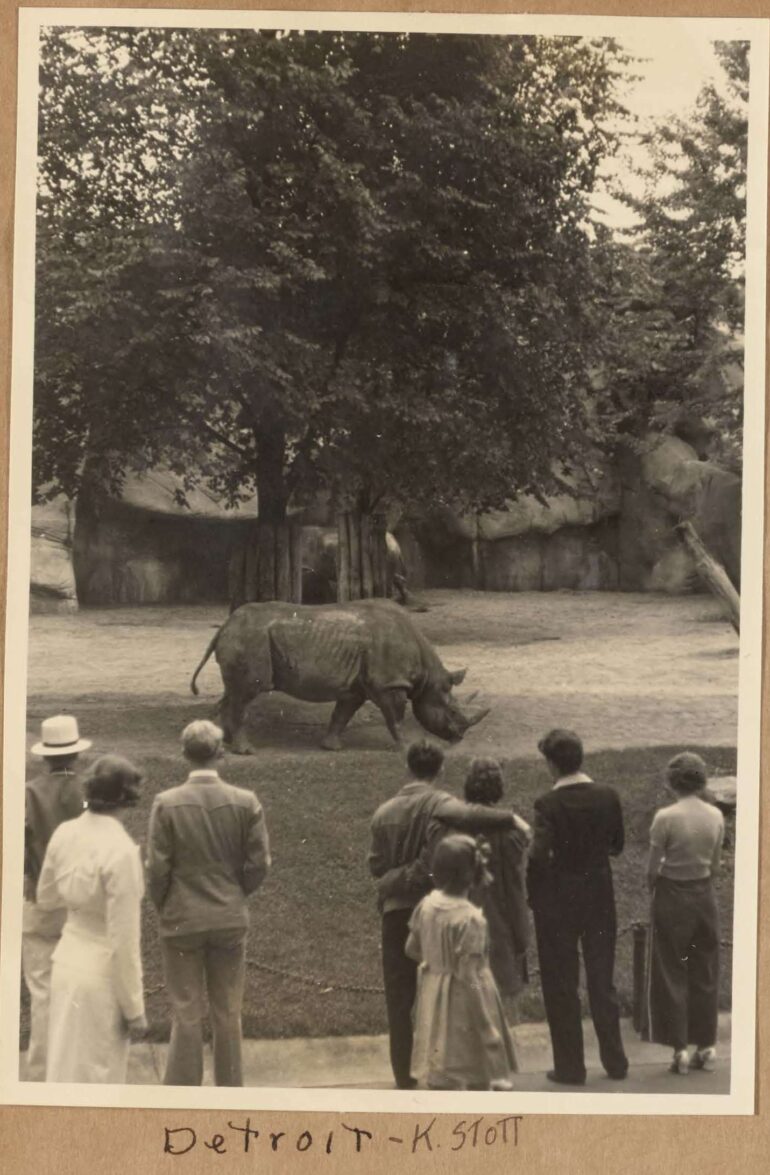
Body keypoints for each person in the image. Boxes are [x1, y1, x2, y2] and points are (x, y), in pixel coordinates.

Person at [368, 739, 517, 1090]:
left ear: (408, 767)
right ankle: (444, 1067)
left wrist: (392, 879)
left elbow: (376, 866)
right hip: (436, 909)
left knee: (399, 1000)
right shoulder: (445, 804)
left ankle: (404, 1076)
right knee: (445, 995)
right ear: (440, 769)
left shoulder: (383, 812)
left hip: (396, 912)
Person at [146, 720, 271, 1086]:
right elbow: (259, 863)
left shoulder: (166, 803)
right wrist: (236, 892)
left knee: (185, 1010)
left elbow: (157, 868)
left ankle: (182, 1091)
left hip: (182, 917)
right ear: (220, 753)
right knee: (228, 1009)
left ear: (185, 753)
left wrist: (164, 902)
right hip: (228, 914)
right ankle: (230, 1087)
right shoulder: (245, 801)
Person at [527, 728, 628, 1086]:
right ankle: (615, 1061)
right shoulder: (607, 795)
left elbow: (538, 857)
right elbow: (617, 844)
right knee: (602, 979)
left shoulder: (547, 804)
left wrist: (535, 896)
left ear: (552, 764)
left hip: (559, 898)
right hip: (599, 893)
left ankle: (571, 1067)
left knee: (561, 983)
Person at [36, 755, 146, 1083]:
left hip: (66, 965)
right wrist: (134, 1008)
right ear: (128, 798)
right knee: (99, 1078)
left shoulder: (65, 833)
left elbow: (46, 897)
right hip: (101, 977)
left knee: (64, 1068)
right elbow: (123, 941)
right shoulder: (122, 851)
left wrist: (77, 902)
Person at [406, 833, 517, 1090]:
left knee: (441, 1068)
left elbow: (411, 948)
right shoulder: (470, 920)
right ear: (472, 874)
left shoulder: (426, 906)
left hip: (434, 998)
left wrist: (437, 963)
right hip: (466, 1005)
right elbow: (470, 978)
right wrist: (487, 1025)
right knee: (475, 1069)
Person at [646, 752, 724, 1076]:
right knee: (705, 969)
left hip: (672, 893)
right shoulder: (716, 815)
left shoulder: (665, 817)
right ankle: (706, 1045)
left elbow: (652, 870)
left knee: (671, 969)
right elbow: (716, 865)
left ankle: (679, 1048)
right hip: (704, 893)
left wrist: (656, 888)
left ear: (671, 781)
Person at [22, 714, 91, 1081]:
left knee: (42, 991)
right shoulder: (88, 792)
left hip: (38, 899)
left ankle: (40, 1073)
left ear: (45, 756)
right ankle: (73, 1070)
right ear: (76, 755)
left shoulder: (29, 791)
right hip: (79, 904)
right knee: (79, 989)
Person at [461, 759, 531, 1022]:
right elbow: (514, 887)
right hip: (501, 921)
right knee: (503, 1004)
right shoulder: (512, 834)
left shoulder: (458, 825)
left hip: (467, 919)